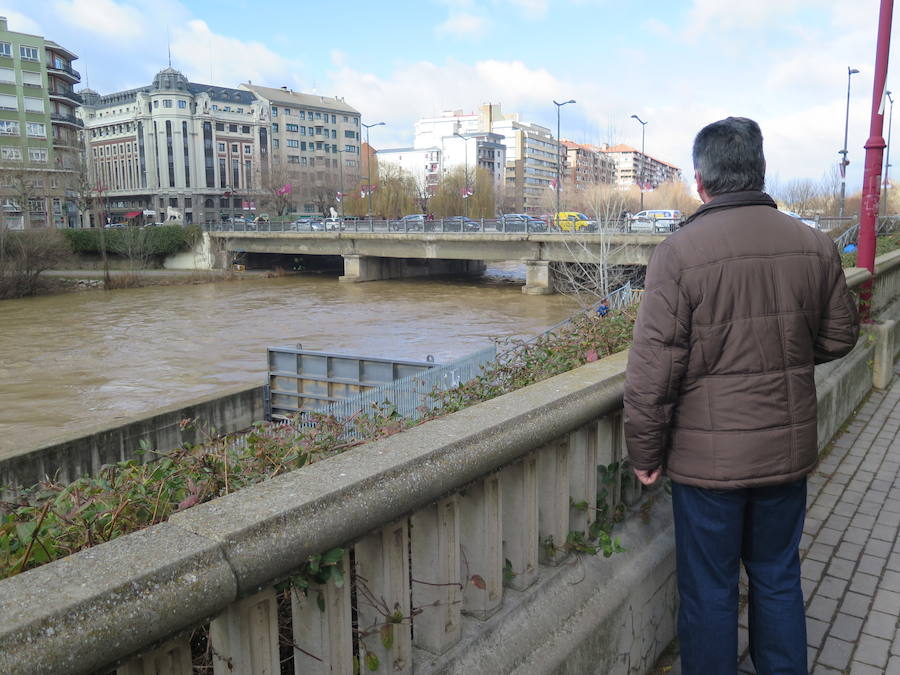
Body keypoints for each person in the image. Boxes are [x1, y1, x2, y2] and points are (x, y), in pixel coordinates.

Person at [623, 117, 859, 675]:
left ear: (702, 182)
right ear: (762, 172)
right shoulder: (814, 245)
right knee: (778, 576)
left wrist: (645, 454)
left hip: (708, 467)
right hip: (785, 453)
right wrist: (787, 361)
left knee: (710, 590)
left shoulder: (679, 254)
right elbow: (840, 336)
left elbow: (653, 371)